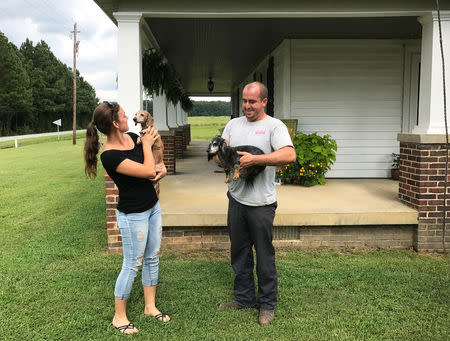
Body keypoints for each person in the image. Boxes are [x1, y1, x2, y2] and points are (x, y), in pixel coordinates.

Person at [84, 101, 170, 335]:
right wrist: (149, 148)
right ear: (114, 123)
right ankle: (119, 316)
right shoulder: (109, 156)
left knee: (152, 257)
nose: (128, 118)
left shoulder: (134, 137)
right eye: (123, 115)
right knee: (132, 264)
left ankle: (149, 307)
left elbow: (153, 169)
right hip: (133, 214)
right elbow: (146, 170)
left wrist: (161, 170)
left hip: (152, 206)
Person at [217, 82, 296, 326]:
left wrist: (256, 159)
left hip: (261, 204)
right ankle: (243, 298)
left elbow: (289, 155)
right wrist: (221, 158)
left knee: (264, 255)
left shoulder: (274, 126)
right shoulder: (233, 124)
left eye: (252, 101)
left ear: (264, 101)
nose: (247, 106)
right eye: (244, 101)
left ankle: (267, 304)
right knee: (239, 252)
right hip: (237, 200)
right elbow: (222, 151)